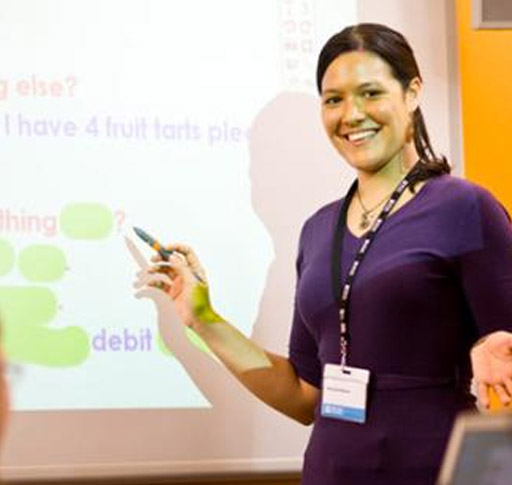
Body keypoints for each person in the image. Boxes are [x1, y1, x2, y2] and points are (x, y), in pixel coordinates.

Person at [138, 23, 512, 485]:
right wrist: (203, 319)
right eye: (334, 99)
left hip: (435, 468)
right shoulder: (318, 230)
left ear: (412, 92)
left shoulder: (465, 208)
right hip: (330, 472)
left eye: (370, 93)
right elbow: (303, 395)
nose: (351, 114)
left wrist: (492, 348)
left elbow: (504, 346)